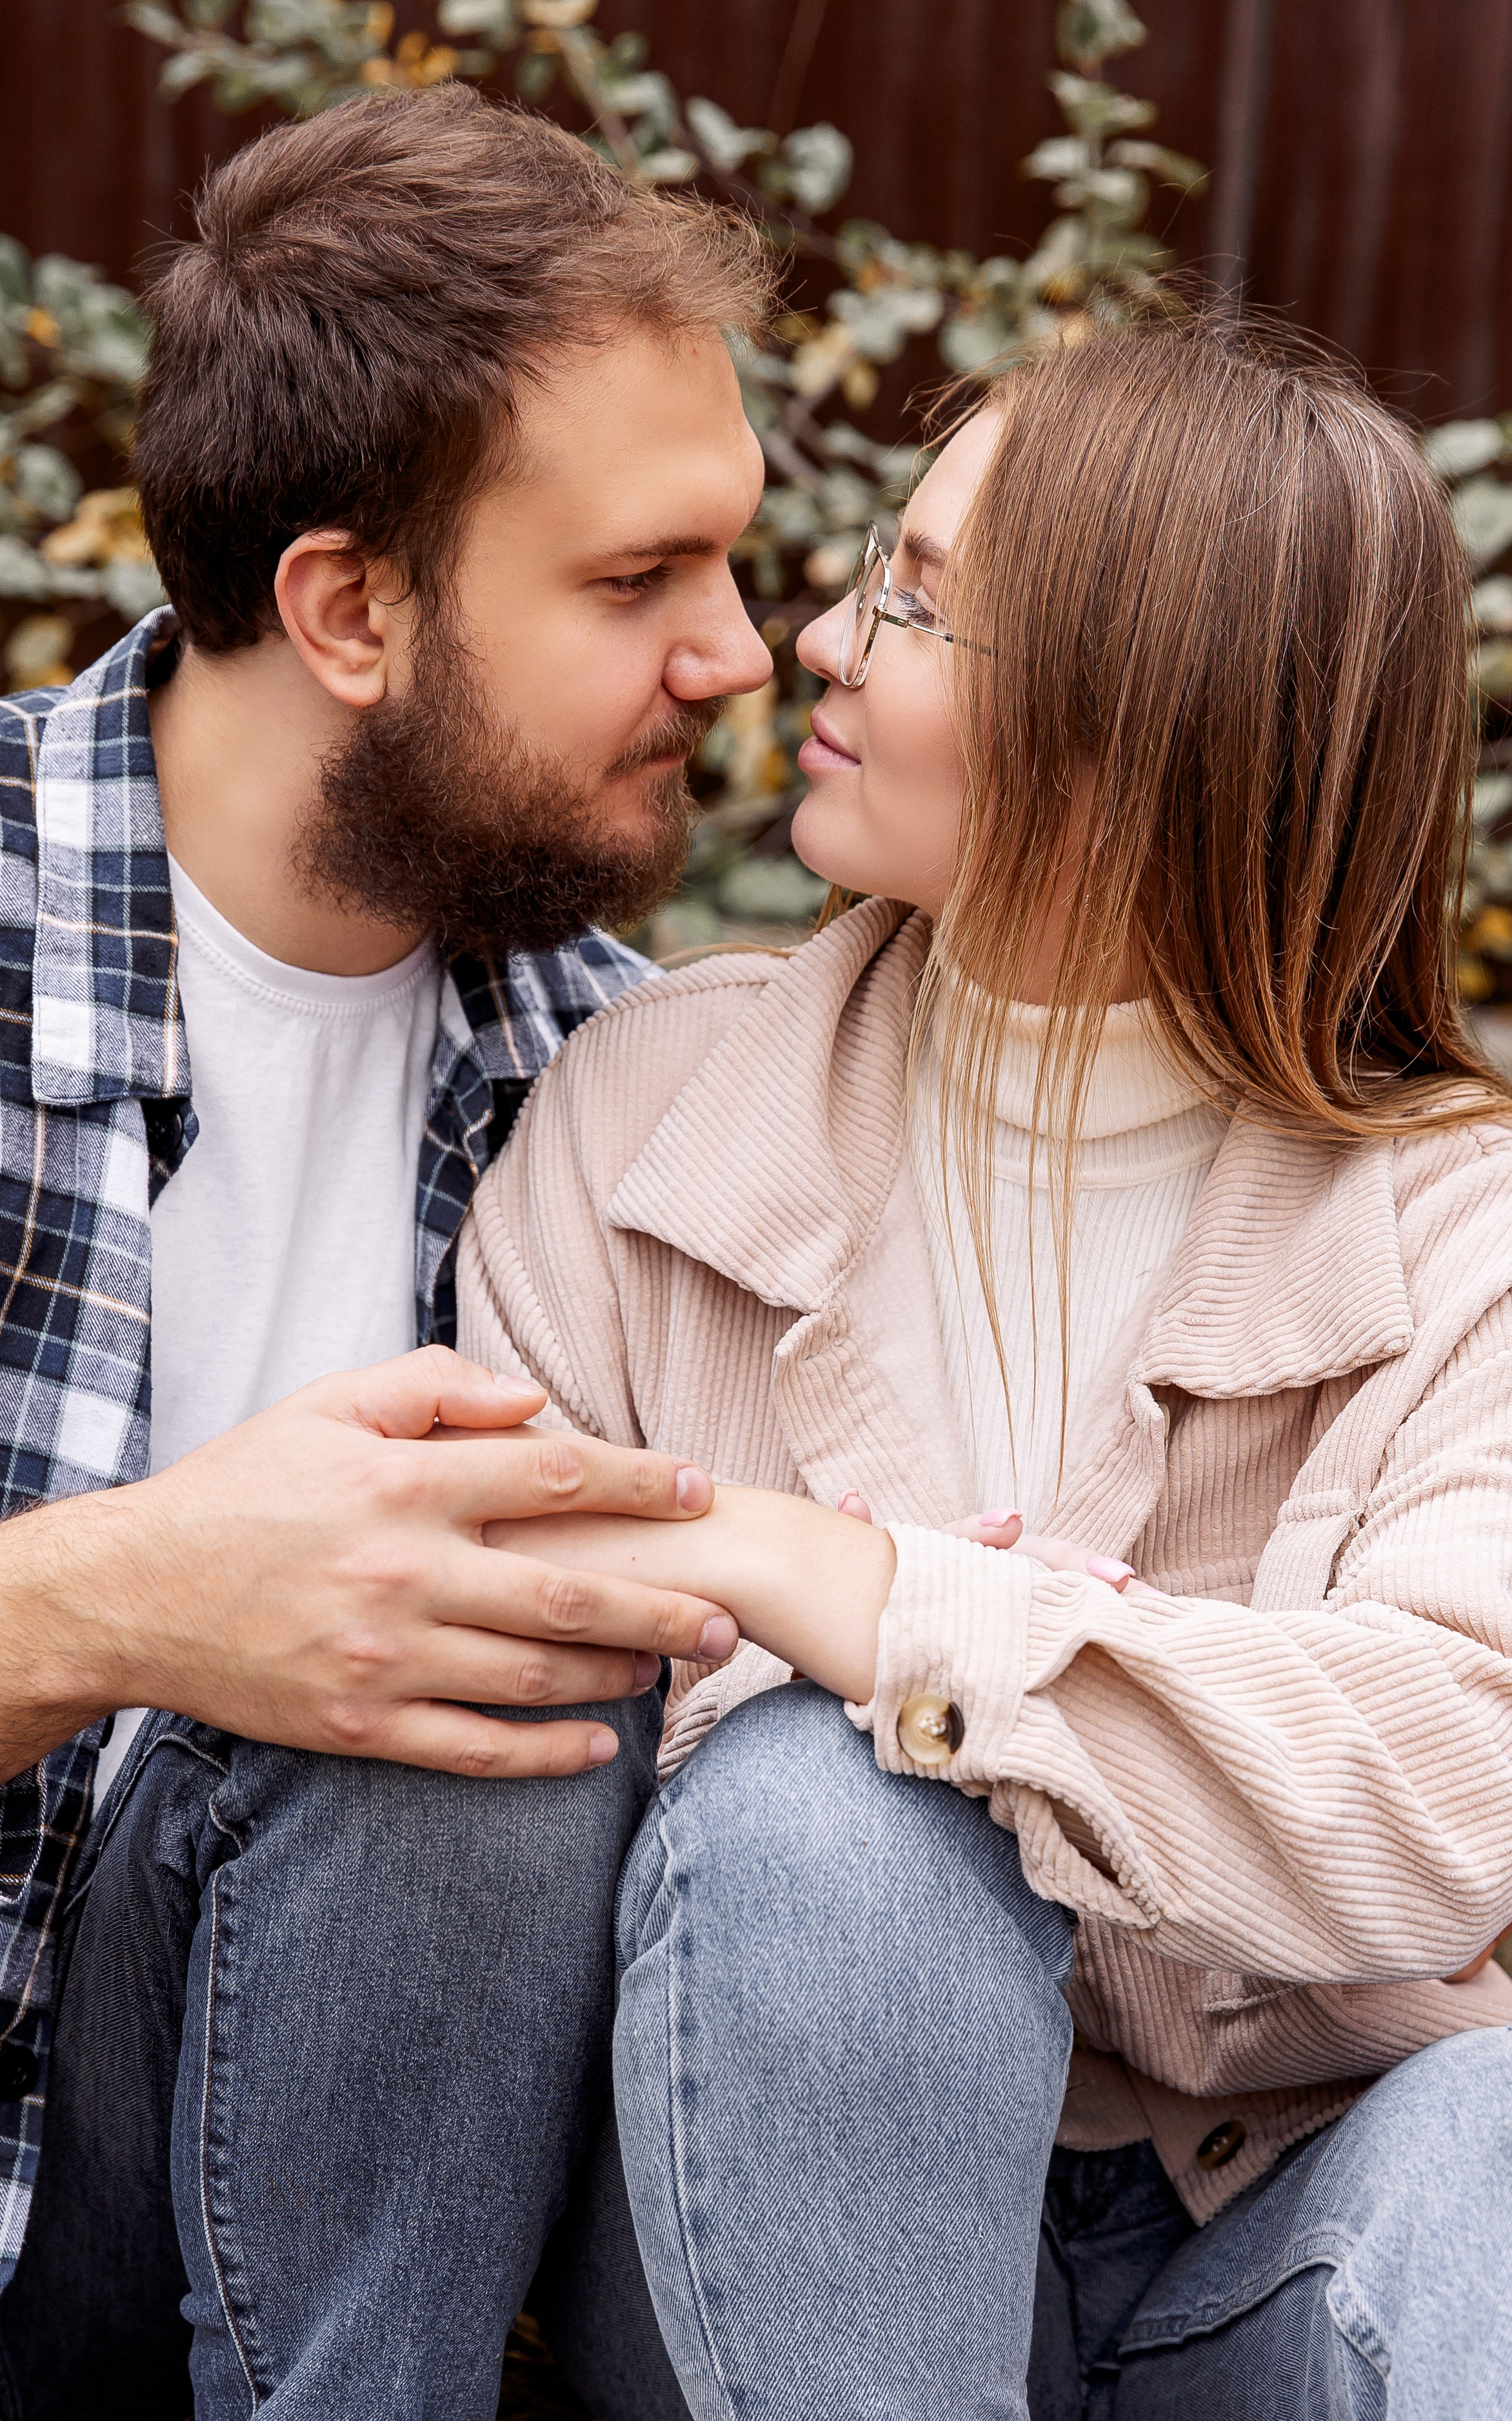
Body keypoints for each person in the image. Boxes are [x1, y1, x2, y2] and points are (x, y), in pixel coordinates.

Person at [459, 317, 1512, 2417]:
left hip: (1285, 2245)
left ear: (1153, 725)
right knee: (828, 1830)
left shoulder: (1458, 1225)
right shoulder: (643, 1113)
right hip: (740, 2214)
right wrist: (989, 1706)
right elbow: (505, 1712)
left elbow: (1453, 1783)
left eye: (923, 607)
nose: (817, 646)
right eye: (879, 575)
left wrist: (849, 1592)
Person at [0, 84, 777, 2421]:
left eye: (740, 565)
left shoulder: (635, 1076)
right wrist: (107, 1603)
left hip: (386, 2265)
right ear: (348, 607)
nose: (743, 654)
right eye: (638, 581)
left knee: (492, 1698)